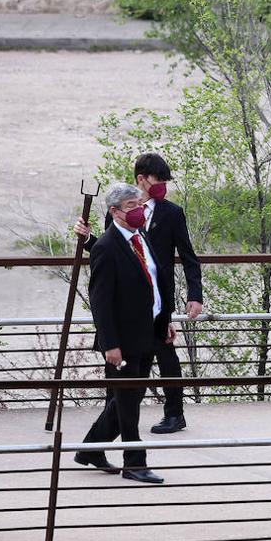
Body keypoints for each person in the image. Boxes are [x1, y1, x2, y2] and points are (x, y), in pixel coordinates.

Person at [74, 152, 203, 435]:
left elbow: (189, 257)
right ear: (142, 179)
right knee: (125, 370)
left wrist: (195, 294)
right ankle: (112, 421)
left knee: (166, 357)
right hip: (130, 306)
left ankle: (174, 413)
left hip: (157, 302)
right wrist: (87, 240)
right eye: (159, 179)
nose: (163, 185)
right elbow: (110, 250)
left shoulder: (171, 213)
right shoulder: (120, 213)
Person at [76, 183, 166, 484]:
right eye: (131, 206)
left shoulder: (142, 238)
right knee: (127, 402)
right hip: (122, 341)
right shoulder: (106, 248)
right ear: (114, 212)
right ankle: (134, 462)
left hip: (148, 333)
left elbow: (156, 282)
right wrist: (110, 344)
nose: (139, 209)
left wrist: (165, 319)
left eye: (139, 203)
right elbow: (100, 302)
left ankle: (90, 449)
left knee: (131, 396)